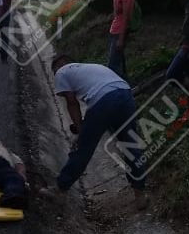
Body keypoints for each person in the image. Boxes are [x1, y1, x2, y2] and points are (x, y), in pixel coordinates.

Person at [40, 56, 148, 210]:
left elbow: (71, 101)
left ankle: (60, 190)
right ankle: (140, 195)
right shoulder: (92, 66)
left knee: (83, 149)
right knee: (130, 145)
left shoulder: (61, 72)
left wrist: (80, 129)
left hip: (103, 100)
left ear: (59, 66)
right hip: (125, 94)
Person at [102, 0, 134, 79]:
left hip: (120, 33)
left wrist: (121, 39)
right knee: (119, 61)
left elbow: (126, 18)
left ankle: (119, 85)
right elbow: (116, 14)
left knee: (112, 65)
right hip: (114, 31)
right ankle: (126, 83)